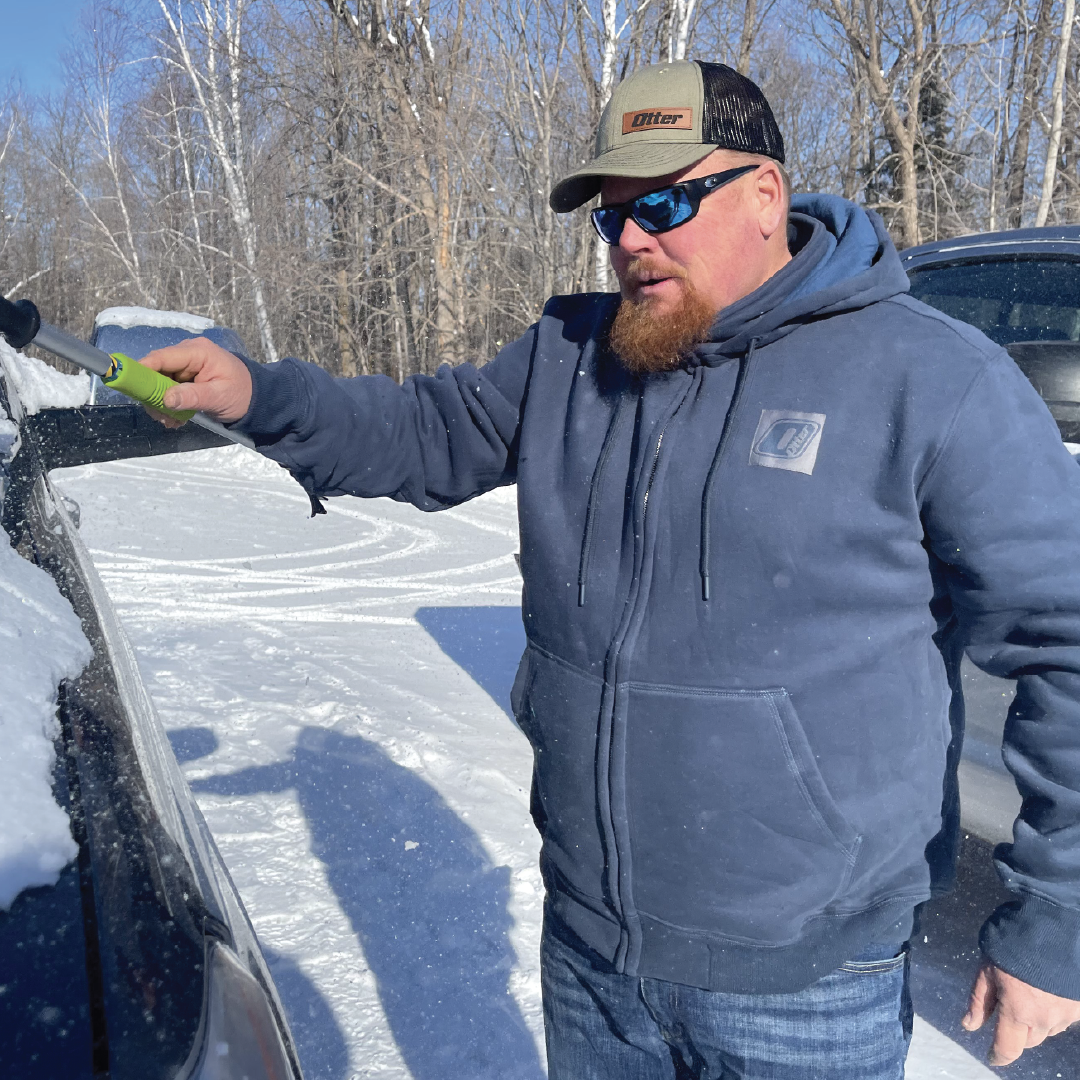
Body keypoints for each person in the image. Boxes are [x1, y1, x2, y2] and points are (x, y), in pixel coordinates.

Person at [142, 60, 1080, 1078]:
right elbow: (419, 432)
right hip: (593, 953)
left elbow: (1064, 637)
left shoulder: (928, 376)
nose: (633, 239)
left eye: (666, 202)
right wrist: (255, 394)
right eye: (613, 215)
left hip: (807, 984)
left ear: (765, 196)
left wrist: (1057, 924)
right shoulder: (572, 356)